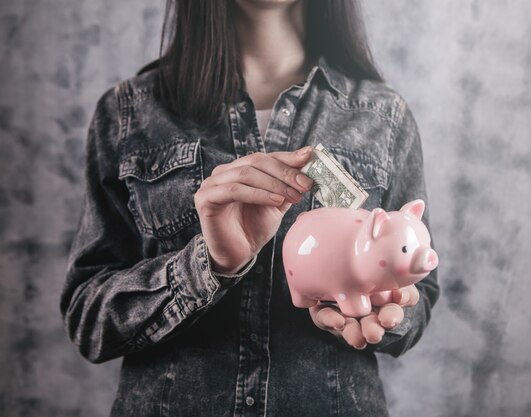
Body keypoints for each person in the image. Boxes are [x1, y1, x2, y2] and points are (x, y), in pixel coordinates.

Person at [60, 0, 440, 416]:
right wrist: (208, 266)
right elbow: (88, 321)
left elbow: (418, 300)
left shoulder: (384, 116)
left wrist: (385, 307)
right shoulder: (129, 113)